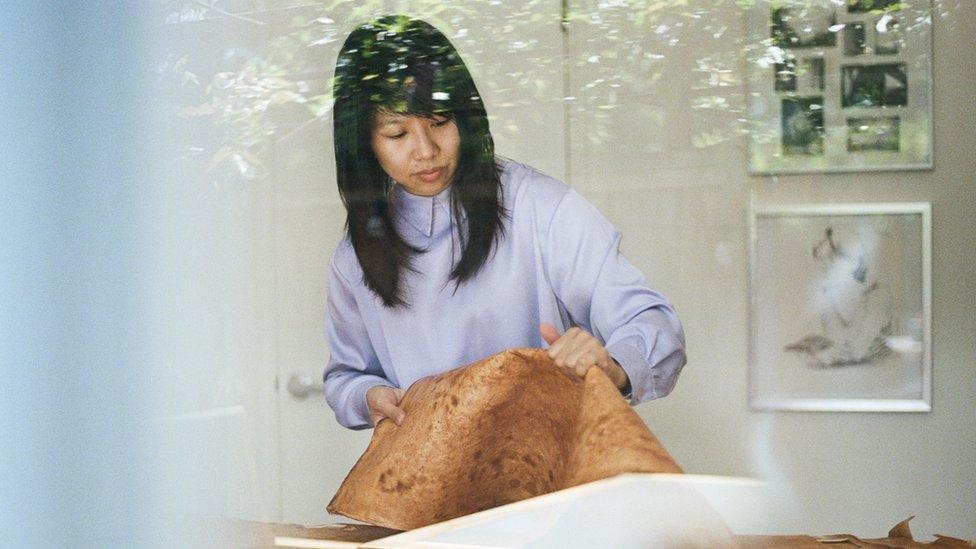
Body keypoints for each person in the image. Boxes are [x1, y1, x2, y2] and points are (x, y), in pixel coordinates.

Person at [324, 15, 686, 430]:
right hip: (432, 472)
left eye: (440, 122)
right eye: (396, 134)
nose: (426, 150)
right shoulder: (355, 253)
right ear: (365, 144)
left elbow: (651, 321)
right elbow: (345, 376)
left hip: (544, 466)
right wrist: (365, 396)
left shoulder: (540, 207)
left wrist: (614, 364)